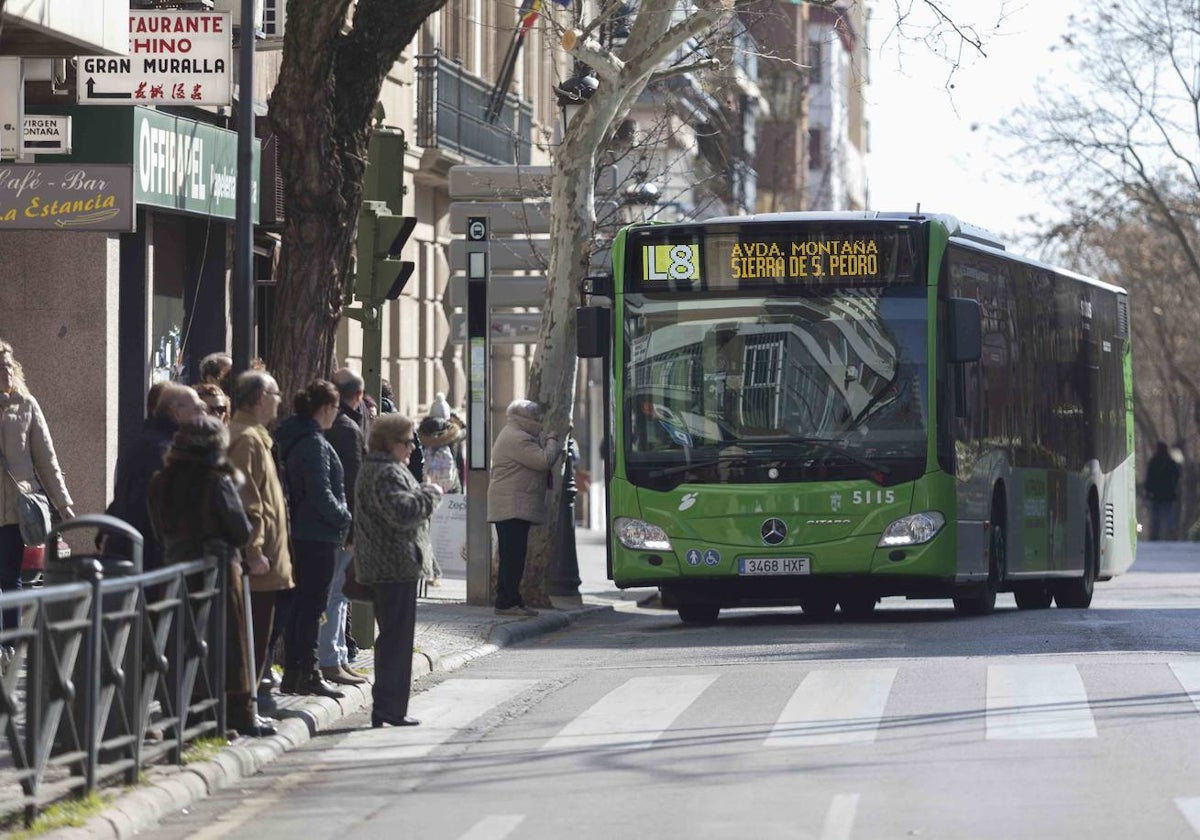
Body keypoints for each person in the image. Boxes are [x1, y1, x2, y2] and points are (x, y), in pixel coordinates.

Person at [146, 416, 275, 737]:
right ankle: (234, 716)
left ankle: (188, 715)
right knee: (227, 646)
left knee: (182, 644)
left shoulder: (160, 481)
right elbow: (240, 531)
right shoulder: (217, 481)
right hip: (216, 573)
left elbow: (159, 530)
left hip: (176, 570)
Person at [354, 413, 442, 727]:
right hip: (391, 567)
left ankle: (391, 708)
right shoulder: (384, 471)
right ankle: (390, 709)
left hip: (395, 565)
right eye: (407, 442)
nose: (412, 449)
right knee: (396, 641)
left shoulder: (387, 468)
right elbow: (402, 512)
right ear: (390, 443)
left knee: (396, 639)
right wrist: (431, 494)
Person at [272, 380, 352, 698]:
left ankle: (296, 672)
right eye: (334, 408)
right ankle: (307, 671)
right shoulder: (313, 442)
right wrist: (344, 516)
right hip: (317, 536)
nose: (336, 414)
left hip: (304, 534)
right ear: (324, 408)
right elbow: (321, 492)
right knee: (312, 606)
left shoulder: (295, 435)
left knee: (301, 606)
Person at [226, 370, 294, 712]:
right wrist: (253, 551)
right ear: (257, 399)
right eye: (275, 394)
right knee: (252, 640)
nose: (279, 400)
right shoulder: (246, 439)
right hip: (258, 563)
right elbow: (247, 500)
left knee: (260, 639)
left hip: (267, 560)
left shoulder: (256, 436)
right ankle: (245, 708)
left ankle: (250, 702)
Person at [0, 340, 75, 634]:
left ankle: (9, 644)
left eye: (8, 365)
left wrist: (62, 501)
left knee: (10, 576)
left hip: (17, 507)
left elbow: (46, 458)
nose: (5, 371)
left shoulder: (27, 404)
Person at [105, 383, 207, 571]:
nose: (204, 414)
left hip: (139, 549)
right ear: (175, 412)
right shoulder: (163, 450)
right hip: (151, 554)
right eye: (198, 408)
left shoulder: (151, 442)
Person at [486, 400, 562, 617]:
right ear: (526, 419)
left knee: (514, 555)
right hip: (511, 505)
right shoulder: (518, 438)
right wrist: (552, 441)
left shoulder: (516, 434)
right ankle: (506, 601)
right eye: (537, 418)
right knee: (512, 556)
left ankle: (512, 600)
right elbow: (543, 460)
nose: (539, 422)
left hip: (513, 504)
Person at [318, 369, 369, 687]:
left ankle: (335, 655)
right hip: (341, 526)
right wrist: (353, 530)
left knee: (337, 594)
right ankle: (331, 658)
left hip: (335, 523)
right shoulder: (347, 429)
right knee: (336, 594)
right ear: (359, 396)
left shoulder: (335, 425)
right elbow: (352, 482)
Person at [1145, 441, 1181, 541]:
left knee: (1156, 518)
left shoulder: (1154, 462)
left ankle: (1155, 537)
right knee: (1169, 516)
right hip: (1168, 494)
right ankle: (1173, 536)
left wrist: (1148, 491)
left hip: (1156, 494)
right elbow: (1177, 476)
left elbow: (1149, 478)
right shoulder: (1170, 462)